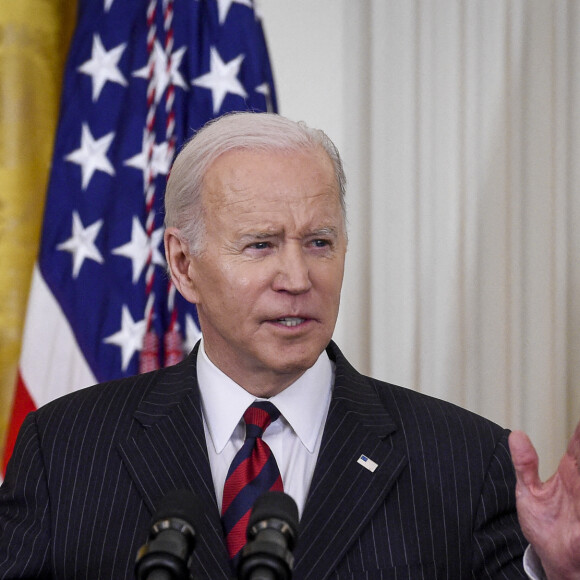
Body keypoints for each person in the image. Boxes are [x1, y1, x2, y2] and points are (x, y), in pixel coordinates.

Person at [0, 112, 578, 579]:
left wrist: (559, 574)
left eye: (320, 242)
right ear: (183, 264)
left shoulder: (466, 461)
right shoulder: (65, 451)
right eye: (260, 245)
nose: (298, 278)